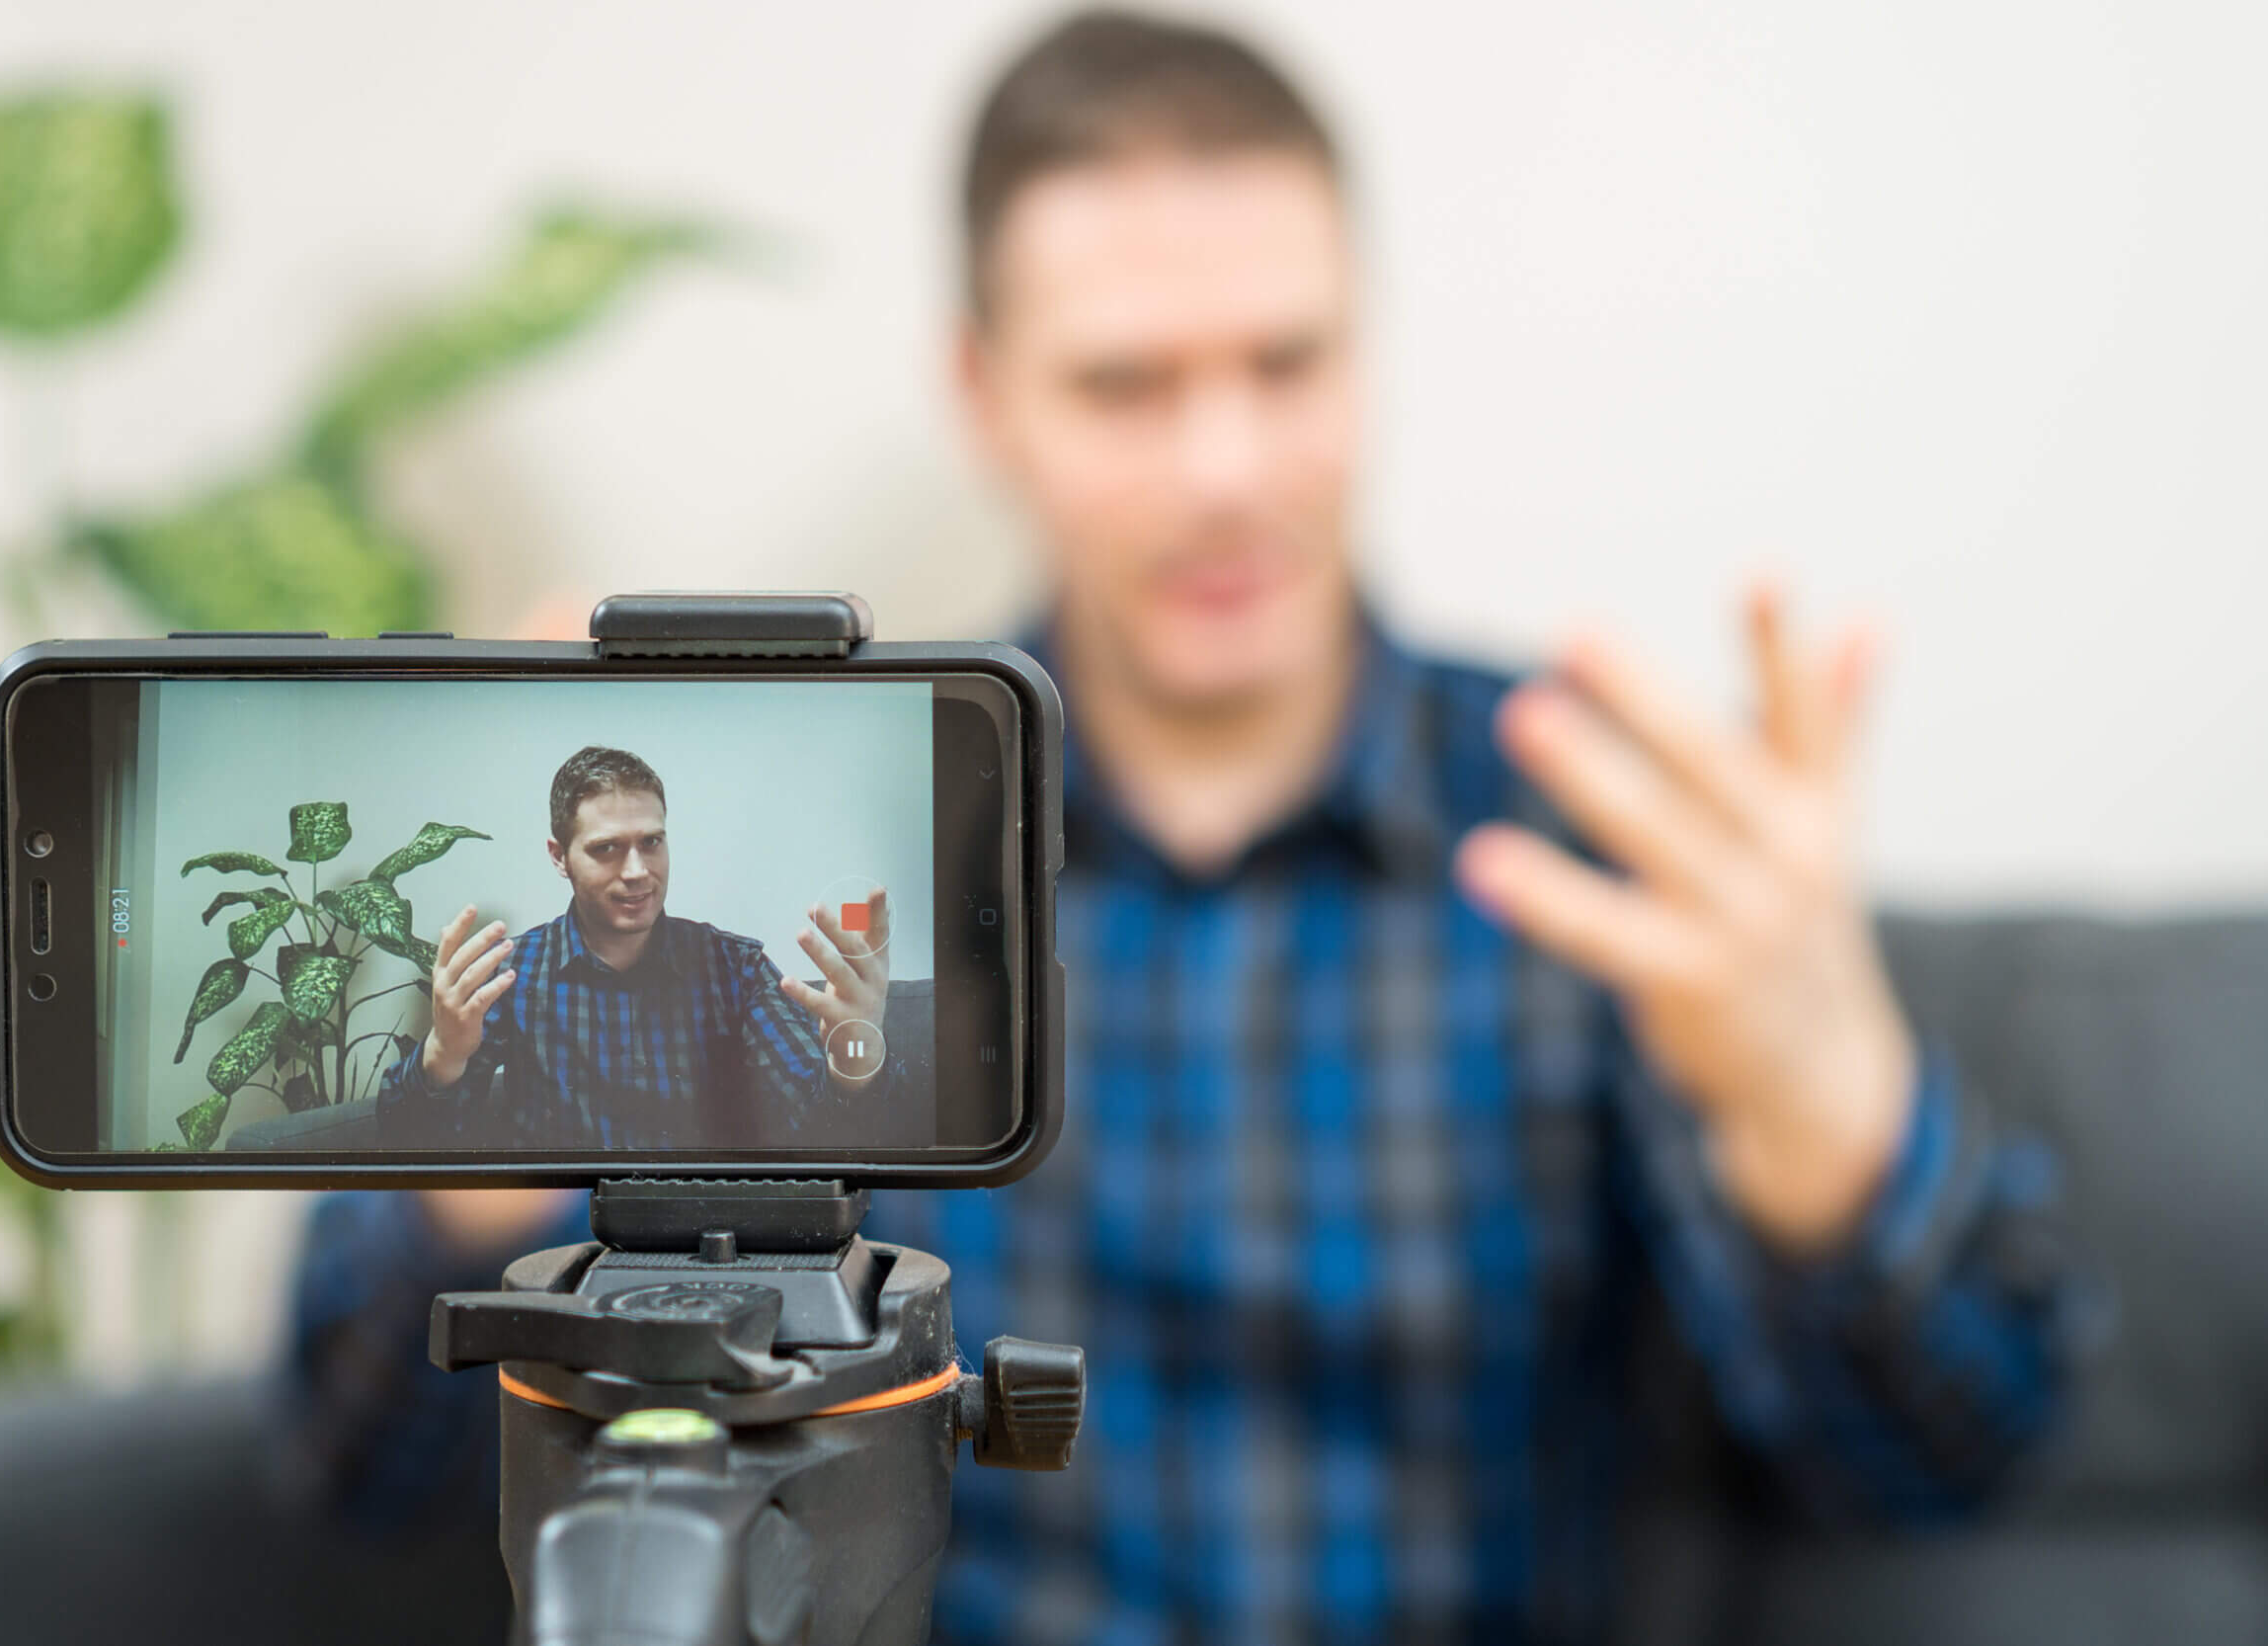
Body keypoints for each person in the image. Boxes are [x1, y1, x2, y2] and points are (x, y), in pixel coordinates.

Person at [284, 10, 2083, 1638]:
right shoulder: (801, 852)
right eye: (1126, 384)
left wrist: (1834, 1125)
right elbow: (360, 1473)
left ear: (1366, 358)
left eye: (1285, 363)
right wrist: (478, 1172)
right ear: (986, 396)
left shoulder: (1580, 833)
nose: (1222, 466)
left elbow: (1951, 1457)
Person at [377, 743, 899, 1148]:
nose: (636, 872)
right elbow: (414, 1142)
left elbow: (817, 1129)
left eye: (651, 842)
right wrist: (443, 1055)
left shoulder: (734, 968)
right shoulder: (513, 977)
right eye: (606, 849)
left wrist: (855, 1051)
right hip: (559, 1245)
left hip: (709, 1243)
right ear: (559, 857)